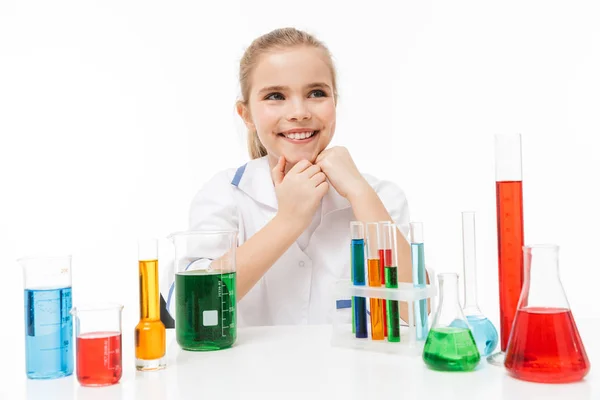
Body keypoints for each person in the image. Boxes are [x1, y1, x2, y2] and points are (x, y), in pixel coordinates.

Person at [161, 27, 418, 328]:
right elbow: (190, 310)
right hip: (244, 376)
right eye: (275, 96)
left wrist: (360, 194)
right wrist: (289, 220)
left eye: (316, 93)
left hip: (349, 376)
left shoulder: (379, 195)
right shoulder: (225, 195)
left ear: (335, 101)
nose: (299, 111)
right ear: (246, 115)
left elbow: (417, 313)